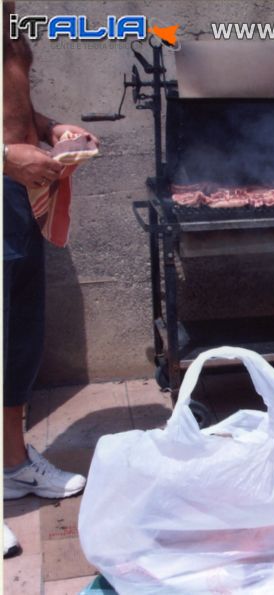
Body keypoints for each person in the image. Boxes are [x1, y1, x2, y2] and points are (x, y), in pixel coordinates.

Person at [3, 0, 99, 557]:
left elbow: (13, 110)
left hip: (16, 198)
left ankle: (12, 465)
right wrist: (5, 158)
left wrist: (47, 127)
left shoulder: (10, 18)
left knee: (18, 341)